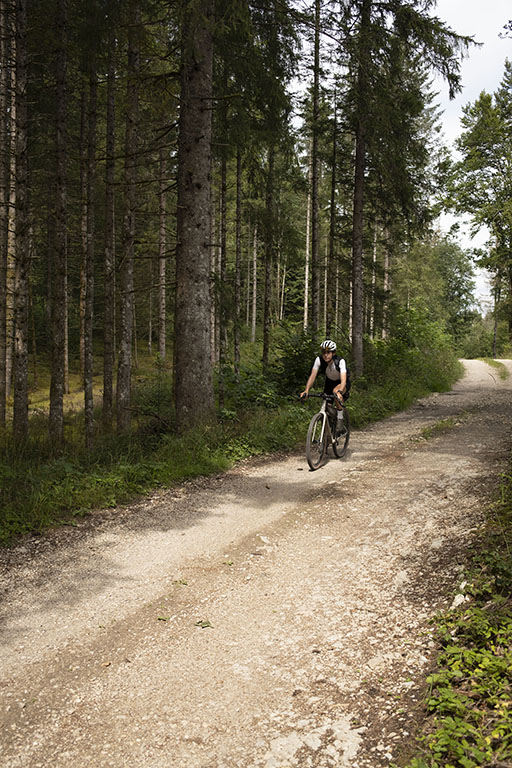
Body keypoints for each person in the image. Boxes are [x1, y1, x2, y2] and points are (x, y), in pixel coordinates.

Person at [300, 339, 347, 433]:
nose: (326, 355)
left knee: (335, 393)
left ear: (333, 353)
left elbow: (343, 380)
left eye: (328, 352)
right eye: (324, 352)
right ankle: (326, 434)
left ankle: (340, 420)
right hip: (329, 383)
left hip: (341, 383)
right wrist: (306, 390)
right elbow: (312, 376)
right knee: (327, 406)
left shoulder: (340, 361)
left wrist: (340, 391)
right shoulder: (319, 360)